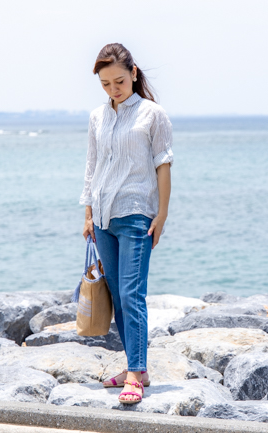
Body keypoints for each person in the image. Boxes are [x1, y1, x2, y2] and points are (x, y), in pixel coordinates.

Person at [80, 43, 173, 404]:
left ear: (133, 73)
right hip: (102, 216)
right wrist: (87, 214)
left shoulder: (152, 115)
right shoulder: (97, 117)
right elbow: (92, 167)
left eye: (118, 81)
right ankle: (138, 366)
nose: (113, 89)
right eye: (105, 84)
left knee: (133, 293)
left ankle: (135, 374)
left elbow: (163, 164)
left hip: (137, 215)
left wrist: (161, 214)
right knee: (118, 294)